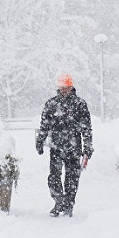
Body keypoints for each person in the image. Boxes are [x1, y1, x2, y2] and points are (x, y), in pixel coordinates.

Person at [36, 72, 93, 217]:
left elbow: (86, 127)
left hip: (74, 148)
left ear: (71, 87)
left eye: (66, 87)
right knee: (54, 176)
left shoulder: (80, 104)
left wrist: (87, 146)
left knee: (72, 178)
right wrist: (40, 140)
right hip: (56, 146)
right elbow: (44, 125)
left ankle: (69, 204)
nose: (64, 90)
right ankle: (58, 201)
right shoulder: (51, 104)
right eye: (61, 88)